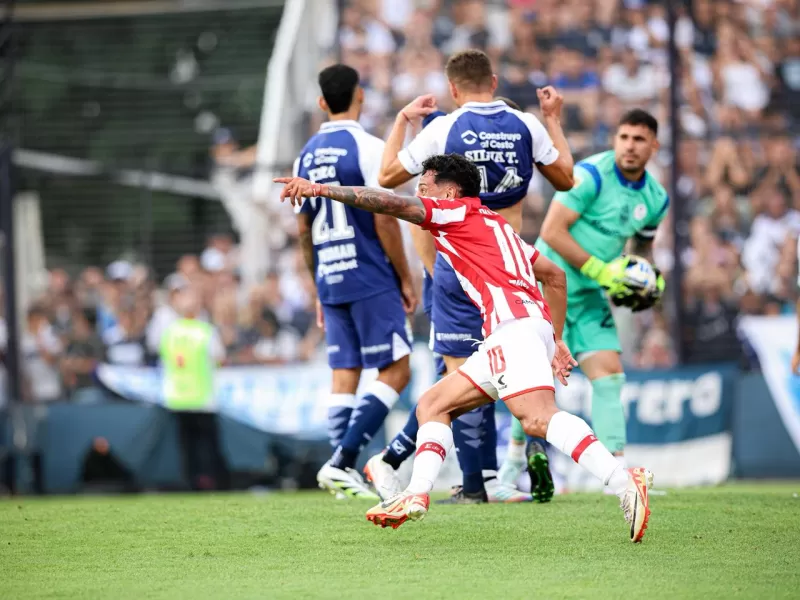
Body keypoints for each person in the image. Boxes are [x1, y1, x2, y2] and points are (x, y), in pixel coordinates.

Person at [274, 153, 654, 543]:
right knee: (433, 405)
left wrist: (321, 190)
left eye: (426, 184)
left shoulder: (453, 213)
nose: (419, 191)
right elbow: (554, 276)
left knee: (538, 418)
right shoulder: (495, 226)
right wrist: (555, 339)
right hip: (519, 331)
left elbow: (391, 203)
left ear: (450, 192)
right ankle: (415, 495)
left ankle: (624, 481)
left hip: (514, 330)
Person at [366, 49, 574, 504]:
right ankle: (515, 457)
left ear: (453, 89)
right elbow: (565, 178)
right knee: (511, 369)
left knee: (460, 376)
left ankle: (476, 481)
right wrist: (553, 117)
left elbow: (386, 177)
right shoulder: (527, 125)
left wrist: (402, 119)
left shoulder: (445, 127)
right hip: (512, 265)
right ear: (494, 81)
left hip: (459, 271)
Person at [498, 109, 668, 492]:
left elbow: (641, 248)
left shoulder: (656, 198)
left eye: (639, 139)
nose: (629, 146)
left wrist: (647, 278)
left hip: (590, 294)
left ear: (653, 146)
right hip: (548, 284)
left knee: (609, 376)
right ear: (615, 140)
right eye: (624, 137)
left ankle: (618, 476)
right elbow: (552, 232)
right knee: (534, 379)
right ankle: (512, 462)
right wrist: (603, 271)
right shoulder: (591, 175)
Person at [294, 64, 416, 500]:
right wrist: (404, 275)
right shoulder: (367, 146)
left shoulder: (304, 156)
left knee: (344, 373)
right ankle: (342, 461)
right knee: (398, 370)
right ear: (360, 95)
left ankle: (337, 471)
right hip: (368, 272)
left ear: (322, 102)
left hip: (330, 274)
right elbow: (384, 216)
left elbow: (303, 231)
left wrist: (317, 289)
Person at [160, 289, 229, 491]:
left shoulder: (170, 332)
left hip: (178, 397)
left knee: (187, 447)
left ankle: (191, 483)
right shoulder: (204, 331)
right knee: (209, 445)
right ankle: (217, 483)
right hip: (203, 397)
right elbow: (219, 358)